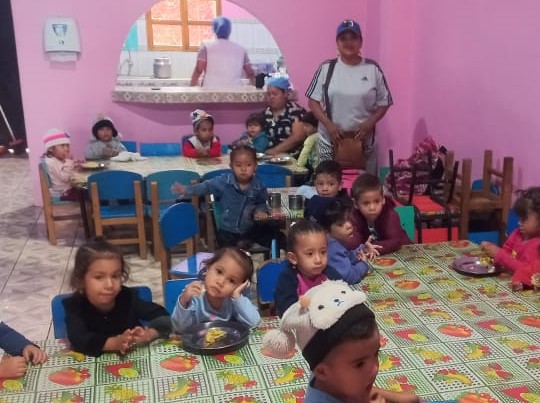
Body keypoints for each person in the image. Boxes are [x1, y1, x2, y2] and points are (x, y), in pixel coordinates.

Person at [262, 281, 420, 403]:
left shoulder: (331, 374)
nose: (374, 369)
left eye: (376, 354)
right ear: (322, 372)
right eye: (359, 364)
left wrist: (396, 397)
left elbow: (362, 389)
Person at [306, 19, 393, 175]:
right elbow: (313, 102)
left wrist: (369, 123)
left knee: (365, 185)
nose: (348, 42)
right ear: (337, 43)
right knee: (328, 183)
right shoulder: (326, 68)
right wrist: (328, 124)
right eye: (343, 38)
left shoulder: (372, 69)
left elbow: (384, 102)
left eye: (353, 38)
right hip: (330, 140)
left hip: (364, 141)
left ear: (361, 42)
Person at [63, 239, 172, 357]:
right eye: (99, 277)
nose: (109, 285)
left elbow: (164, 317)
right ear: (81, 279)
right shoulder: (76, 305)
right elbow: (78, 339)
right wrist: (114, 343)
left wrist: (149, 334)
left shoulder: (128, 298)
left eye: (115, 276)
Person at [172, 145, 280, 250]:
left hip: (248, 230)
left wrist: (261, 211)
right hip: (227, 231)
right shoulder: (224, 182)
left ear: (255, 166)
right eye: (238, 165)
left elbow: (261, 202)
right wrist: (186, 189)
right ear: (231, 166)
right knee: (228, 253)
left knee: (271, 235)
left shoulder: (259, 186)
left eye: (248, 165)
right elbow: (206, 186)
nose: (243, 169)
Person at [171, 247, 260, 333]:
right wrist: (183, 301)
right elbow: (180, 329)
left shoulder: (233, 301)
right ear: (208, 267)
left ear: (239, 286)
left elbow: (254, 323)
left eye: (231, 281)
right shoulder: (195, 294)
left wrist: (237, 296)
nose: (220, 282)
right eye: (219, 272)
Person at [274, 219, 341, 316]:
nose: (318, 259)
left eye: (323, 252)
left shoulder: (329, 273)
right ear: (293, 258)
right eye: (310, 254)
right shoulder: (288, 278)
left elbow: (344, 294)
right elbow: (288, 311)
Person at [481, 187, 540, 290]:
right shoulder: (518, 233)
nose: (519, 223)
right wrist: (493, 253)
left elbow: (528, 272)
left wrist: (500, 255)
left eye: (524, 219)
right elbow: (506, 251)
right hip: (508, 280)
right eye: (519, 218)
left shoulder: (537, 245)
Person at [350, 173, 412, 254]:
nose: (372, 208)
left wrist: (372, 247)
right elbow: (352, 241)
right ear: (356, 204)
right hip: (372, 255)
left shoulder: (390, 215)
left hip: (404, 252)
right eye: (366, 203)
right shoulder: (353, 217)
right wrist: (363, 247)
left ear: (383, 200)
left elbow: (395, 241)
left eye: (376, 201)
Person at [318, 198, 377, 284]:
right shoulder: (334, 249)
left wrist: (363, 249)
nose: (349, 225)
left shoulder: (335, 242)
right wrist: (363, 264)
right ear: (326, 231)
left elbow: (347, 256)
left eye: (348, 219)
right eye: (341, 224)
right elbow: (350, 277)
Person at [190, 16, 254, 87]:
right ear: (229, 30)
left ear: (214, 29)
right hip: (235, 90)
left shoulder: (206, 46)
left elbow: (198, 69)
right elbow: (250, 73)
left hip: (210, 90)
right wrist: (255, 87)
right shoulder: (241, 49)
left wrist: (192, 86)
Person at [262, 76, 307, 157]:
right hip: (267, 155)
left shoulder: (296, 111)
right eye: (269, 94)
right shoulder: (266, 113)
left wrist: (275, 150)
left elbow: (298, 136)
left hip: (291, 155)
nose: (271, 97)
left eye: (275, 94)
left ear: (285, 94)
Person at [42, 128, 80, 201]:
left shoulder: (58, 159)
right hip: (63, 193)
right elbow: (65, 178)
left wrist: (75, 167)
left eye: (67, 145)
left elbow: (68, 173)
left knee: (88, 188)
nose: (66, 149)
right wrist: (69, 161)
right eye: (62, 146)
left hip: (68, 189)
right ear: (50, 148)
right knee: (89, 192)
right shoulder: (51, 162)